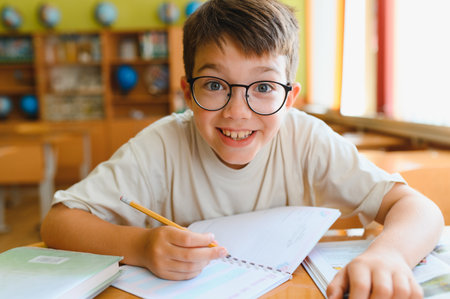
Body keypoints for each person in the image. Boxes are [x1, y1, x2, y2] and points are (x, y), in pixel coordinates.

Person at [41, 0, 443, 298]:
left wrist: (389, 255)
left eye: (264, 87)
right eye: (215, 85)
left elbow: (420, 209)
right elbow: (58, 223)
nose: (237, 112)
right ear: (188, 92)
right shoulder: (162, 144)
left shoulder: (306, 139)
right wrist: (140, 247)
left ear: (290, 98)